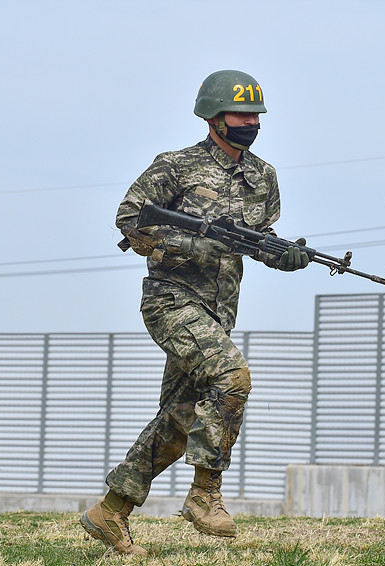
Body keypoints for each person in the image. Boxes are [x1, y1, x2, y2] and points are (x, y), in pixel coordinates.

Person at [80, 70, 309, 555]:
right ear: (213, 117)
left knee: (181, 418)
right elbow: (129, 218)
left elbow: (258, 241)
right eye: (240, 114)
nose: (250, 122)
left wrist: (284, 255)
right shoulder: (176, 167)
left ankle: (110, 511)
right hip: (170, 301)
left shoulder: (262, 178)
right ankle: (205, 494)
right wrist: (194, 240)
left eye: (255, 115)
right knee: (233, 377)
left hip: (218, 311)